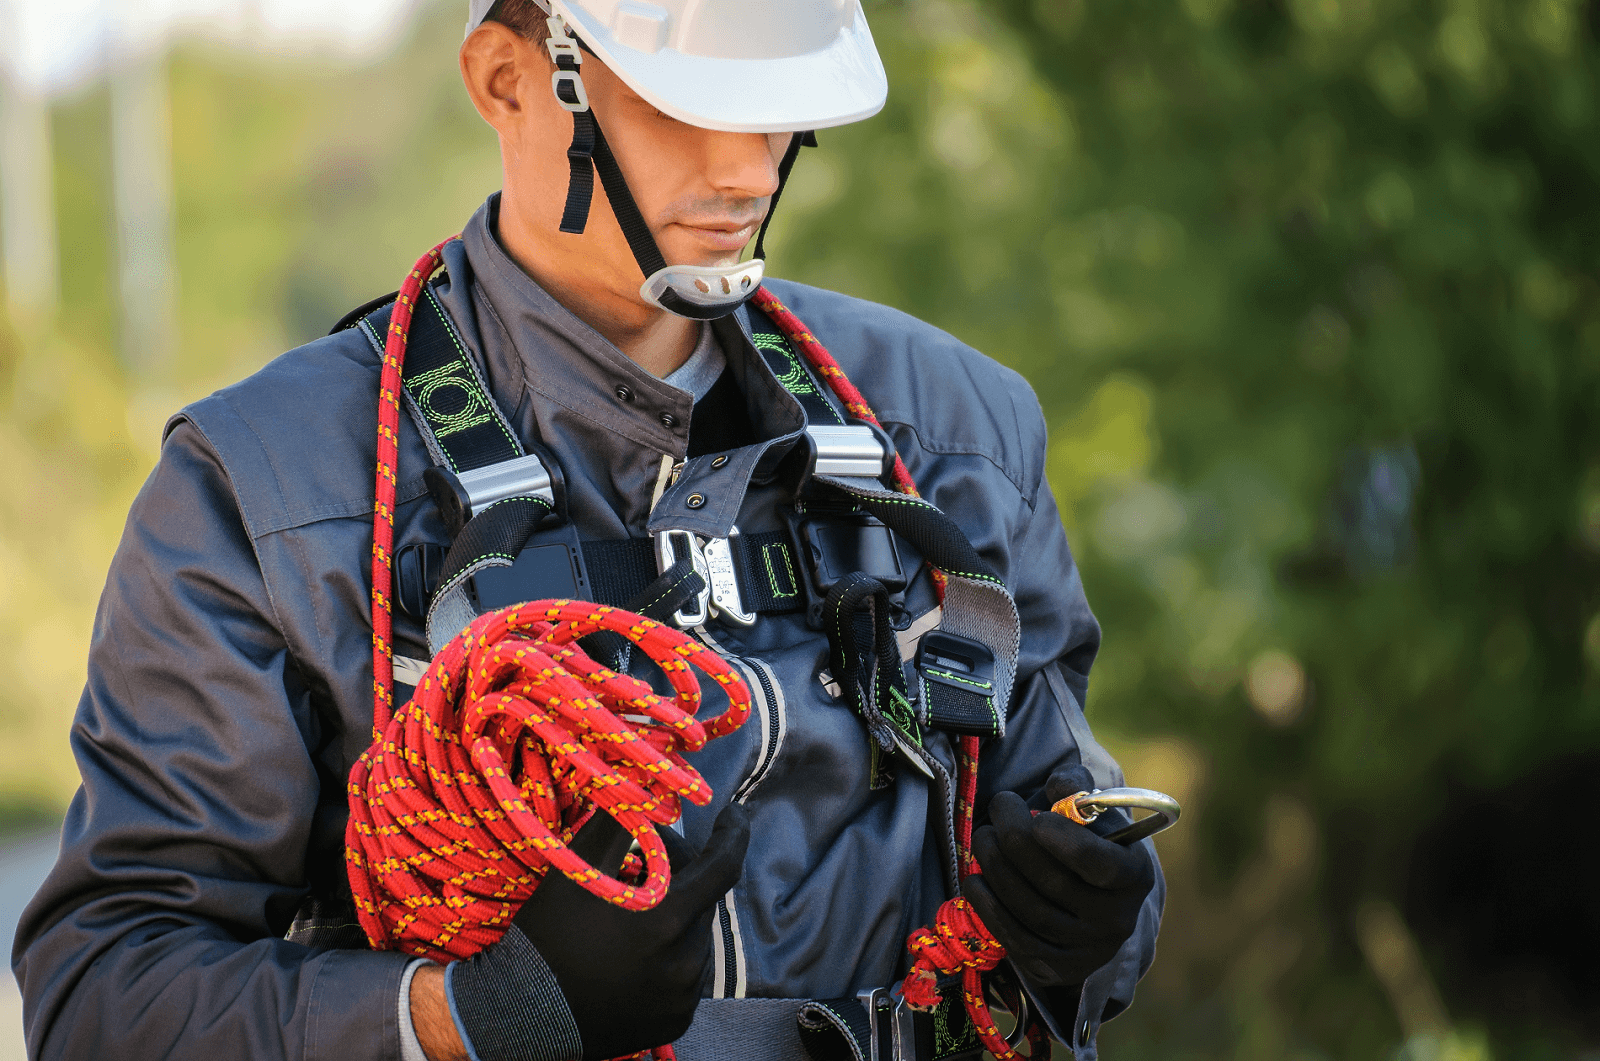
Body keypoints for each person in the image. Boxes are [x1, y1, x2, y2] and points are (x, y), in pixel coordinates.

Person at [13, 1, 1165, 1059]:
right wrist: (471, 1015)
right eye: (685, 105)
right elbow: (105, 989)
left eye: (775, 111)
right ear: (508, 79)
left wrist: (1095, 920)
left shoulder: (955, 434)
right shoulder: (270, 491)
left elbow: (1081, 832)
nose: (744, 168)